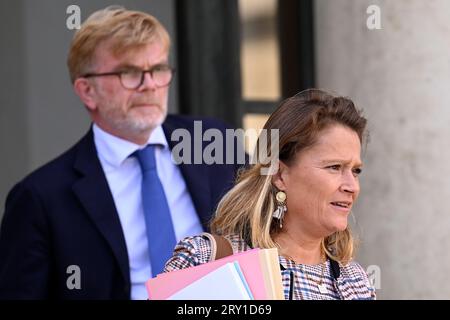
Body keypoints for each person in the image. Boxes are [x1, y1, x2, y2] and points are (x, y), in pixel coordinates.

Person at [0, 6, 244, 299]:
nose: (150, 85)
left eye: (157, 69)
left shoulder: (211, 142)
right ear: (87, 90)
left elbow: (270, 234)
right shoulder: (40, 198)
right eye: (129, 73)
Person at [164, 89, 376, 300]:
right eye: (334, 167)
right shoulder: (206, 260)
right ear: (280, 175)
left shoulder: (357, 282)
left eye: (355, 171)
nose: (352, 186)